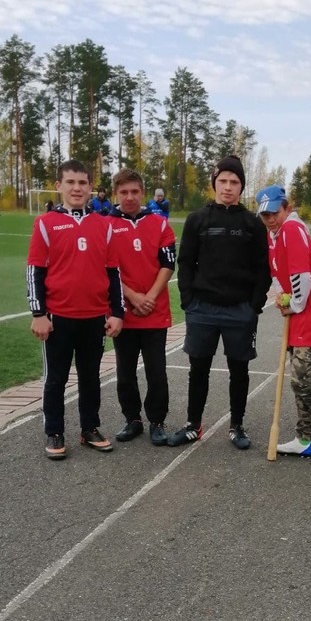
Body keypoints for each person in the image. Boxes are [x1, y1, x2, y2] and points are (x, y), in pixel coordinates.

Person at [168, 154, 271, 450]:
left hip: (240, 311)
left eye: (234, 182)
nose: (228, 187)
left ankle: (237, 425)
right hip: (202, 309)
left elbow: (262, 268)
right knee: (198, 369)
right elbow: (185, 263)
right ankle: (193, 424)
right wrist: (188, 301)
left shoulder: (253, 224)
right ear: (214, 183)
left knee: (239, 371)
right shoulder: (197, 220)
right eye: (223, 181)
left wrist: (254, 306)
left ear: (241, 186)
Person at [26, 159, 124, 459]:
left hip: (94, 317)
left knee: (91, 377)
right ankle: (54, 431)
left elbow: (113, 272)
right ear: (59, 186)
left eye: (82, 183)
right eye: (70, 182)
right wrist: (38, 314)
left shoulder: (104, 225)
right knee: (56, 378)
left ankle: (89, 428)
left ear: (91, 187)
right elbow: (34, 270)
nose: (77, 188)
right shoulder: (45, 223)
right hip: (58, 317)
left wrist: (116, 312)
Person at [256, 184, 311, 461]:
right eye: (265, 215)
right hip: (297, 312)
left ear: (287, 208)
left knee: (300, 379)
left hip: (310, 312)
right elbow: (277, 274)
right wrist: (282, 298)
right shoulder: (273, 234)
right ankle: (304, 438)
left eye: (275, 213)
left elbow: (302, 276)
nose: (270, 219)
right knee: (299, 377)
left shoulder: (292, 229)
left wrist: (293, 303)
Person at [109, 168, 176, 445]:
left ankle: (157, 421)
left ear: (143, 193)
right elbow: (105, 269)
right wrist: (132, 296)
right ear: (115, 194)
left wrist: (149, 296)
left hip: (155, 312)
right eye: (124, 192)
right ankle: (132, 419)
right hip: (123, 313)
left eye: (134, 191)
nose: (129, 197)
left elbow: (168, 264)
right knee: (125, 372)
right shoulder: (106, 225)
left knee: (156, 372)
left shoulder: (160, 224)